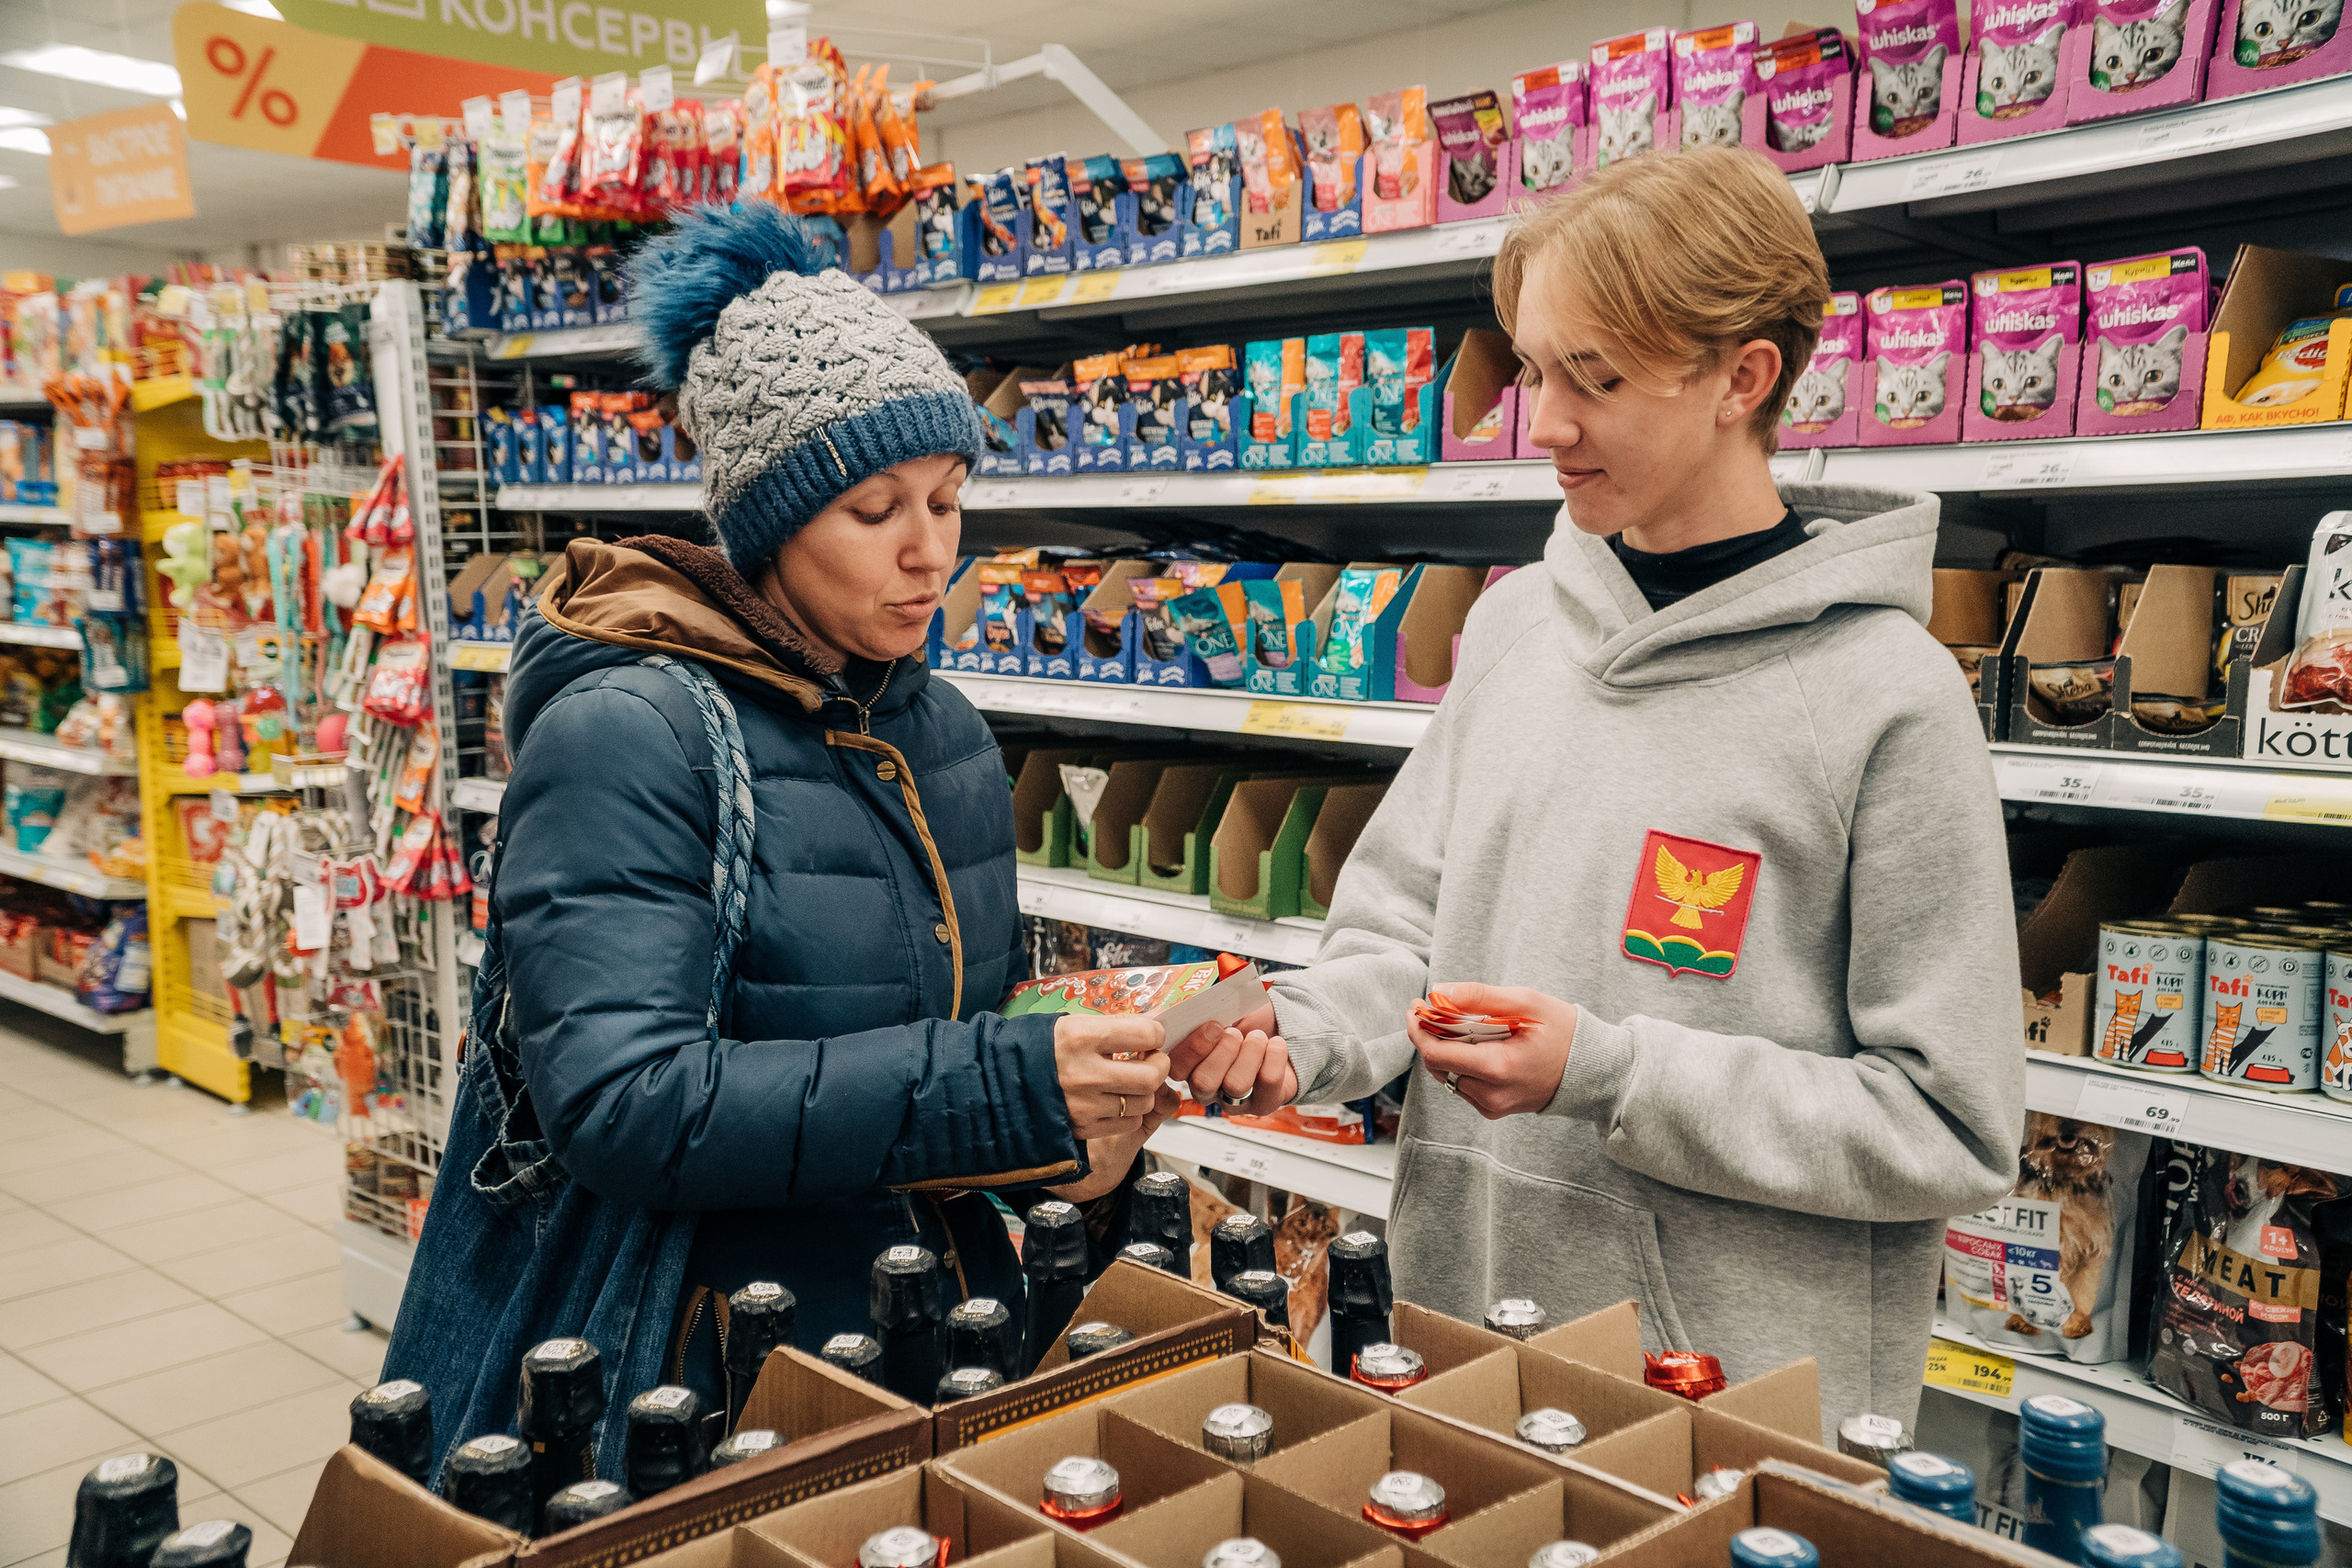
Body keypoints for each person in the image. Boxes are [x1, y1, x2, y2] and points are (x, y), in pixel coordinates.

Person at [1174, 147, 2023, 1431]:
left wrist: (1616, 1073)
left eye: (1598, 378)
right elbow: (1402, 936)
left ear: (1744, 377)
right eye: (1532, 368)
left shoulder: (1886, 697)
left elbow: (1947, 1125)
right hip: (1458, 1344)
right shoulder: (1520, 626)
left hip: (1724, 1403)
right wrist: (1302, 1036)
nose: (1545, 422)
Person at [386, 203, 1182, 1467]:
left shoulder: (948, 734)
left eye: (949, 497)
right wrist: (1004, 1088)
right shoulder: (624, 735)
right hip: (703, 1372)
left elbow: (953, 1045)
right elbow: (628, 1105)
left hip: (929, 1335)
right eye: (877, 510)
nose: (933, 553)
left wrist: (1081, 1125)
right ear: (767, 524)